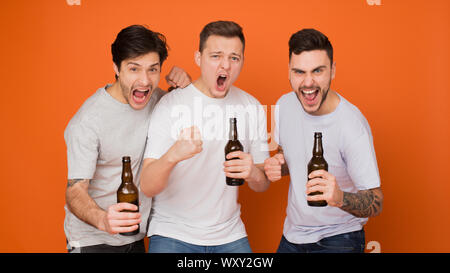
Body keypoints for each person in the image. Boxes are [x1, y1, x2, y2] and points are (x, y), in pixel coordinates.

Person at [139, 21, 270, 253]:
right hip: (173, 233)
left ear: (242, 62)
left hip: (229, 234)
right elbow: (147, 185)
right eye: (216, 56)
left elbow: (262, 185)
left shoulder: (252, 107)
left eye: (234, 58)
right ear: (198, 58)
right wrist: (173, 155)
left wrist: (253, 173)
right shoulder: (172, 104)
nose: (225, 65)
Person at [64, 24, 191, 253]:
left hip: (134, 236)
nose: (144, 80)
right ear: (116, 67)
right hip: (93, 240)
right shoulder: (87, 121)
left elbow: (185, 108)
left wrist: (186, 84)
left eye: (153, 69)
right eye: (134, 69)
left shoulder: (156, 100)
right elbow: (75, 191)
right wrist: (103, 220)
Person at [264, 28, 383, 253]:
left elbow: (376, 201)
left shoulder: (351, 124)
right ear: (289, 72)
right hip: (293, 235)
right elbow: (287, 154)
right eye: (299, 72)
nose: (308, 83)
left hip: (339, 237)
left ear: (333, 70)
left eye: (317, 71)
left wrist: (339, 197)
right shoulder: (284, 105)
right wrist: (279, 163)